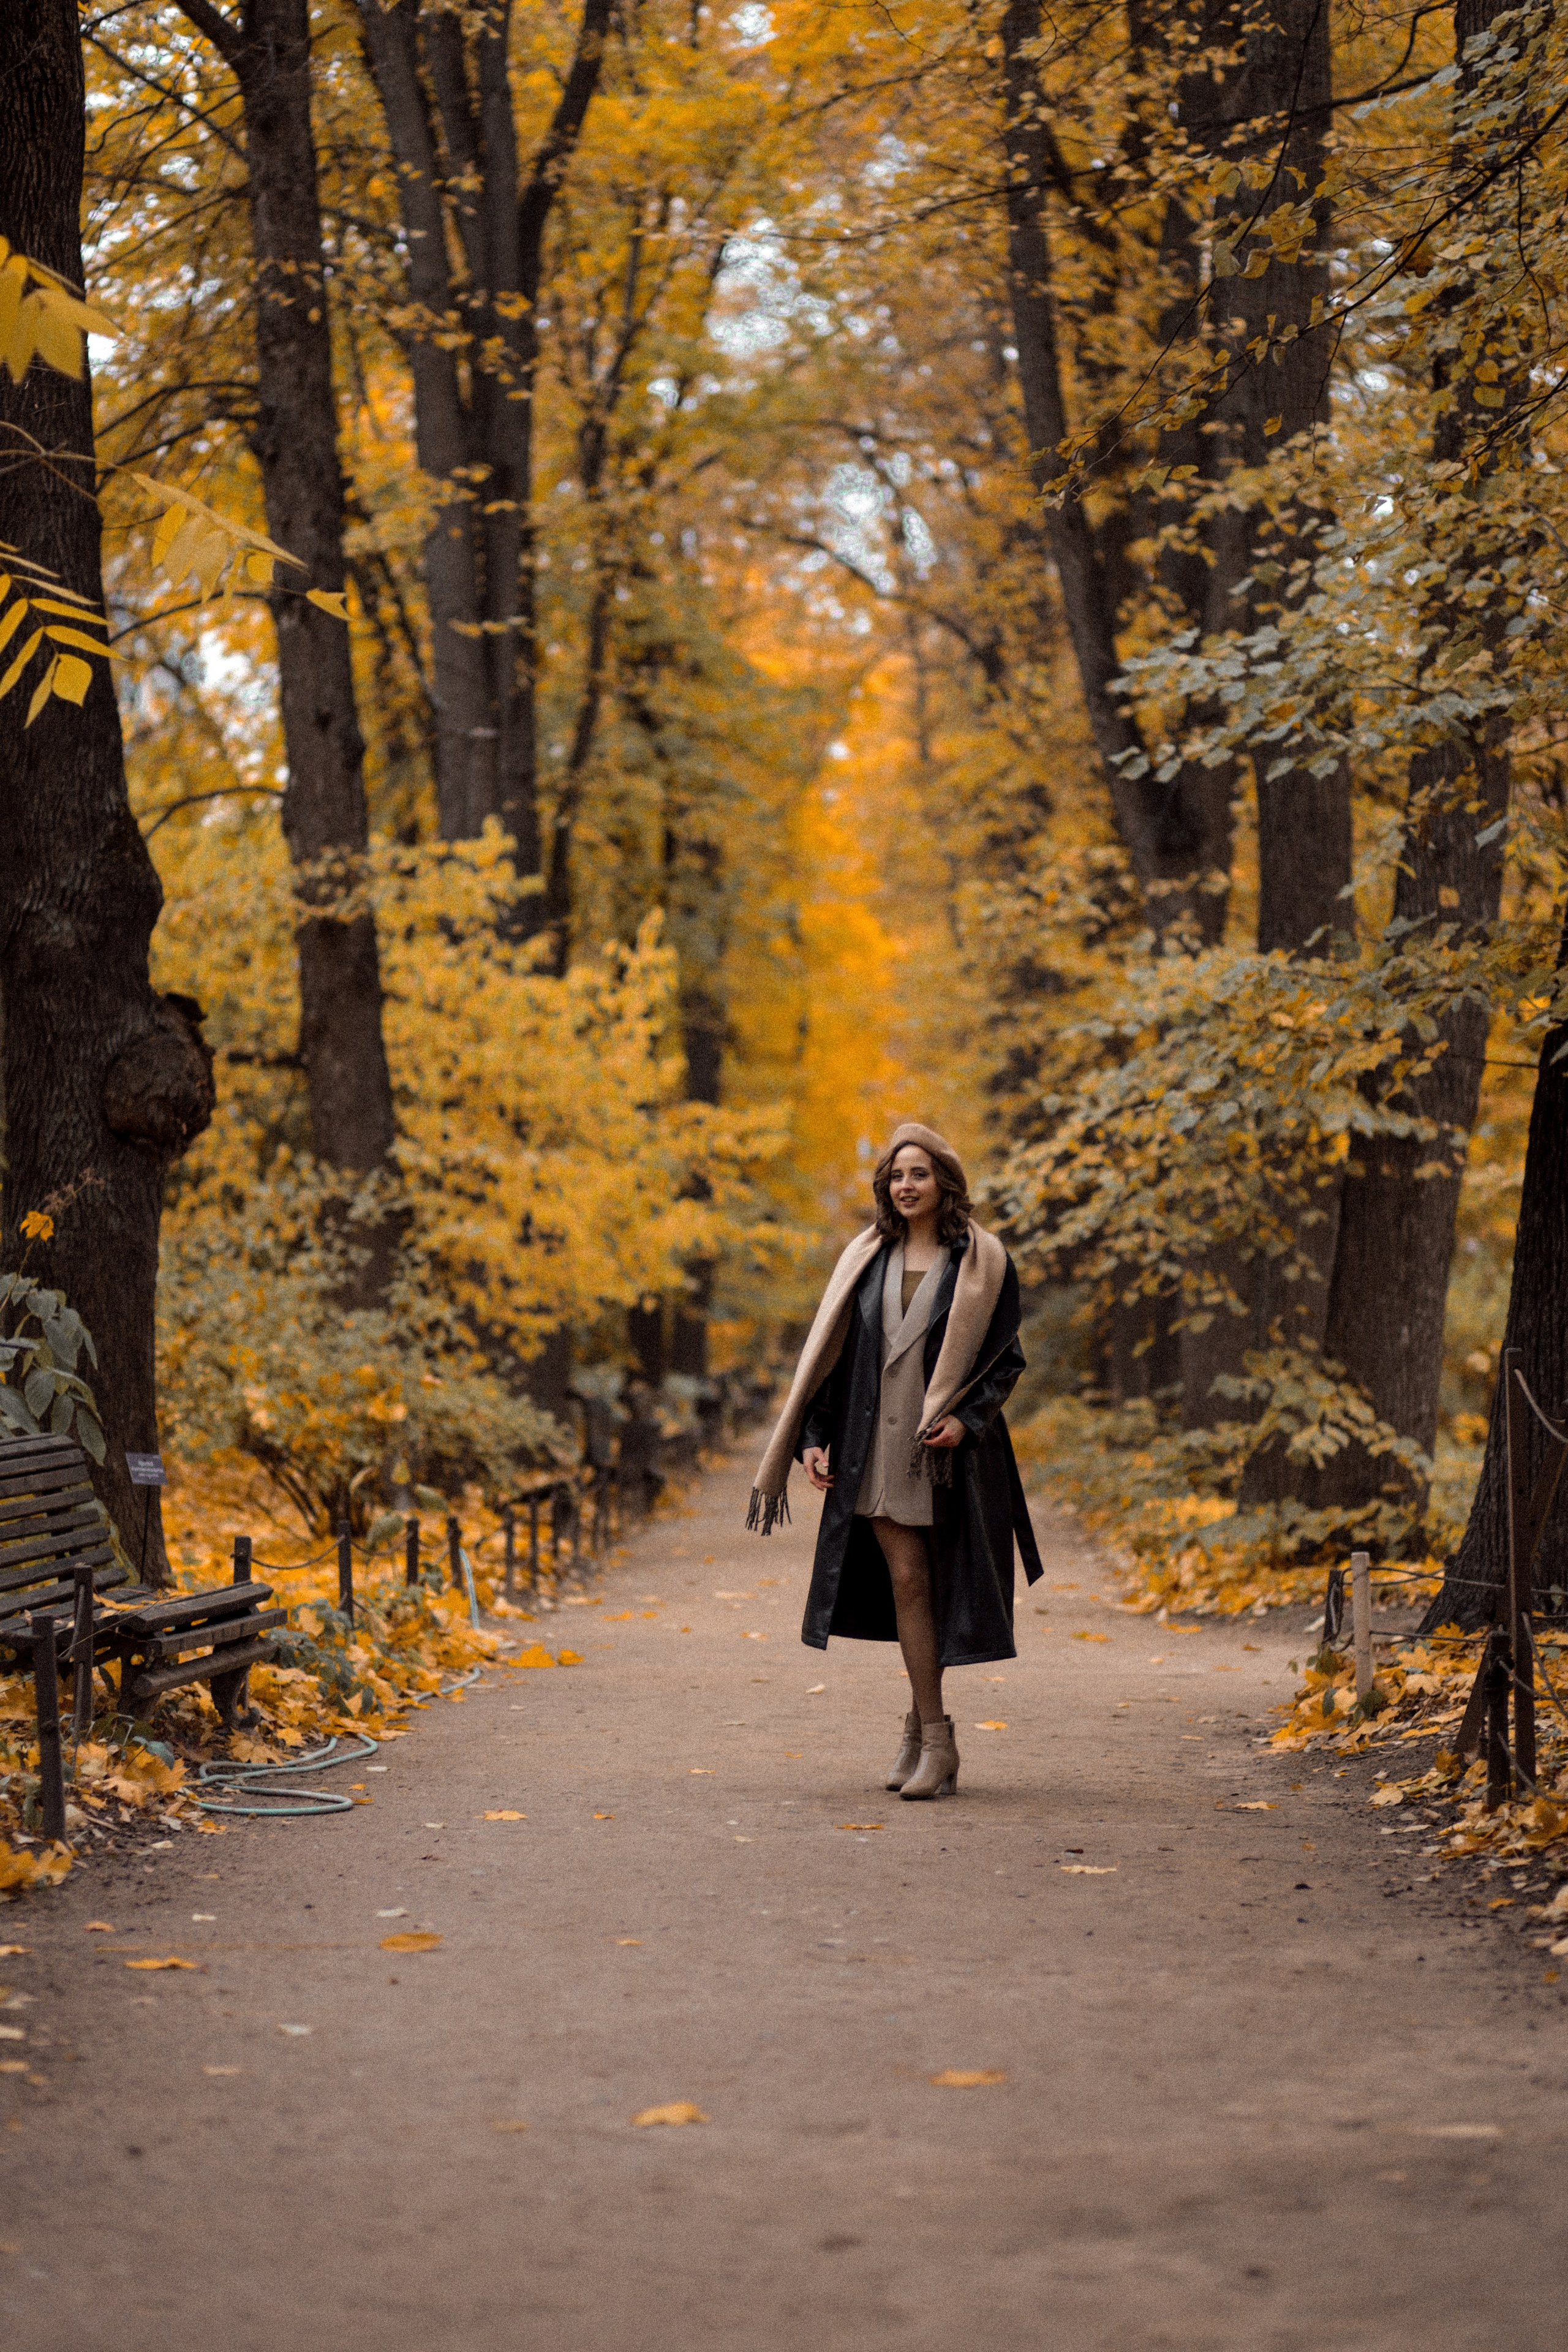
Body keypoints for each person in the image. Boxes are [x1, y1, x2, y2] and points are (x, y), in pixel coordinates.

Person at [745, 1121, 1042, 1799]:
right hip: (873, 1451)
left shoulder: (983, 1261)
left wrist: (967, 1422)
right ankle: (935, 1738)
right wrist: (814, 1435)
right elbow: (836, 1359)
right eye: (895, 1176)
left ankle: (921, 1733)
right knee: (909, 1580)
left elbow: (1006, 1361)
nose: (905, 1186)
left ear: (945, 1182)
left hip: (948, 1458)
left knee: (933, 1585)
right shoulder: (865, 1258)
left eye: (918, 1175)